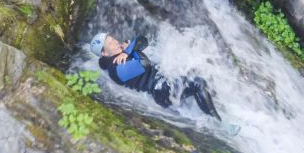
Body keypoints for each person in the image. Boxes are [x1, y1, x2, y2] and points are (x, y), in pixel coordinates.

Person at [89, 32, 220, 119]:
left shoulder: (123, 53)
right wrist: (130, 50)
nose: (116, 42)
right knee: (198, 83)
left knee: (199, 71)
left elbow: (143, 40)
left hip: (164, 80)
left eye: (113, 39)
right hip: (160, 90)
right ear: (105, 53)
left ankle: (216, 105)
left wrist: (129, 49)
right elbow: (145, 63)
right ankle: (218, 122)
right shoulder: (116, 68)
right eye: (110, 43)